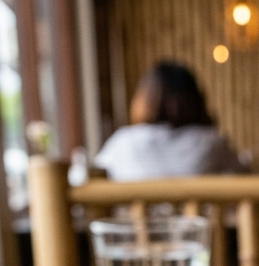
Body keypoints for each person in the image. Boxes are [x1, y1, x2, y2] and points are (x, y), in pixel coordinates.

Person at [95, 63, 242, 180]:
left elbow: (88, 176)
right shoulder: (213, 143)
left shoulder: (123, 142)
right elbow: (244, 178)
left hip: (130, 211)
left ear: (145, 99)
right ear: (195, 100)